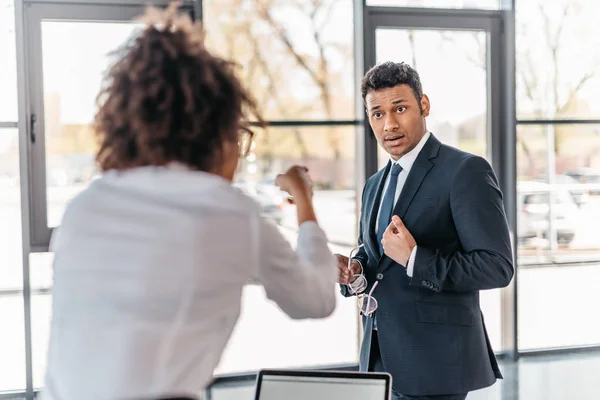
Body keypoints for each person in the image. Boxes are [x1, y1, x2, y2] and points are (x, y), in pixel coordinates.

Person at [39, 4, 336, 400]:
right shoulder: (229, 212)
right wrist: (303, 200)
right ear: (214, 132)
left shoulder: (84, 208)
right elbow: (315, 299)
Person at [336, 61, 514, 400]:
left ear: (424, 105)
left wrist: (415, 258)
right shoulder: (374, 185)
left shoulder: (465, 171)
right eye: (377, 114)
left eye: (399, 108)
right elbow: (374, 255)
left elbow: (497, 267)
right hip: (379, 360)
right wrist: (354, 271)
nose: (389, 124)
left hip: (436, 363)